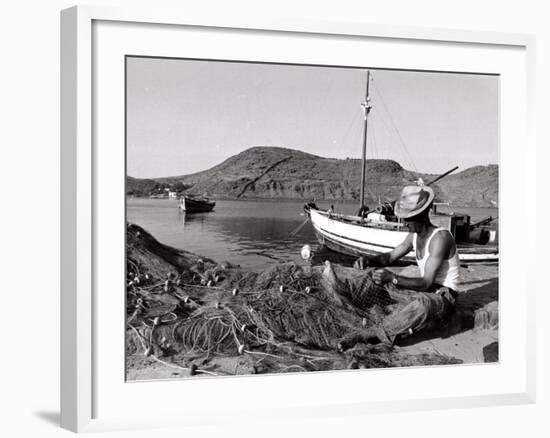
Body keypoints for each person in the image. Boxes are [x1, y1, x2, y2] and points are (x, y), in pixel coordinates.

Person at [339, 184, 460, 350]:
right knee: (373, 277)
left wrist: (392, 278)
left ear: (422, 216)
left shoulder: (441, 238)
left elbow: (426, 282)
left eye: (407, 219)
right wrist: (368, 260)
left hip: (442, 297)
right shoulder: (413, 236)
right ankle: (345, 297)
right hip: (424, 291)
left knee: (423, 305)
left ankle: (371, 334)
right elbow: (390, 257)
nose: (404, 223)